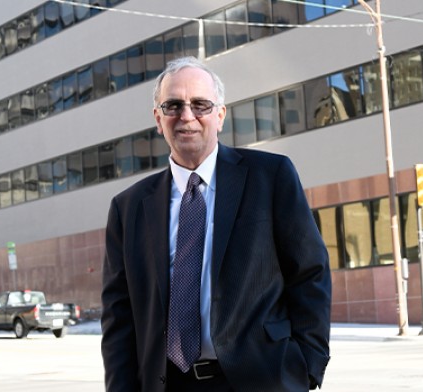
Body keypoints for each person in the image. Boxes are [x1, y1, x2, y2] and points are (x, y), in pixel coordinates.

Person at [101, 56, 331, 392]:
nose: (187, 116)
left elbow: (310, 272)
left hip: (261, 380)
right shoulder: (128, 208)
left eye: (200, 104)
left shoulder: (271, 177)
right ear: (158, 118)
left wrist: (307, 367)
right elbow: (118, 318)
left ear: (220, 115)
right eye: (173, 105)